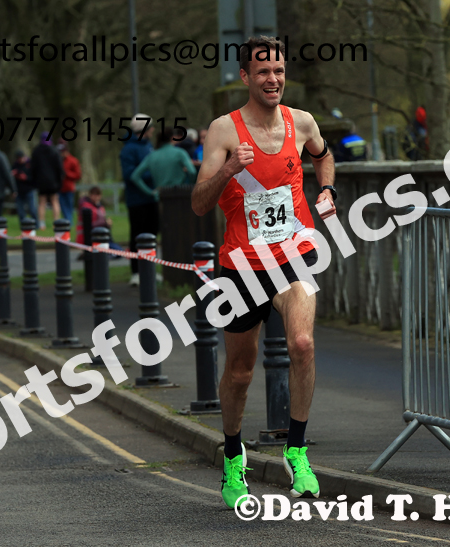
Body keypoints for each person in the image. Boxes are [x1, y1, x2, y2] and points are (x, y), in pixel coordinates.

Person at [191, 35, 336, 509]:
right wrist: (229, 168)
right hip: (241, 266)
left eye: (278, 71)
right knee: (239, 371)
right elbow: (198, 204)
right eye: (263, 72)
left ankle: (297, 450)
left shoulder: (303, 121)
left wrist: (327, 190)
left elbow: (323, 154)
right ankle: (233, 454)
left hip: (294, 253)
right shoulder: (223, 131)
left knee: (302, 343)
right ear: (245, 77)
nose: (272, 79)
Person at [120, 114, 156, 287]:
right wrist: (152, 174)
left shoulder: (148, 146)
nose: (153, 130)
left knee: (151, 233)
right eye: (150, 127)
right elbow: (129, 175)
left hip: (151, 197)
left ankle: (149, 268)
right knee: (137, 235)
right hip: (136, 199)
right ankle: (136, 271)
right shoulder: (129, 149)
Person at [131, 127, 197, 199]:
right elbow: (192, 172)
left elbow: (135, 176)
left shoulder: (151, 156)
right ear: (172, 138)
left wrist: (151, 192)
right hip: (179, 195)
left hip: (160, 196)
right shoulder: (180, 152)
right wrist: (187, 186)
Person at [76, 186, 124, 254]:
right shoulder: (86, 207)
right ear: (90, 195)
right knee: (117, 251)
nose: (96, 197)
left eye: (98, 195)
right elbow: (90, 224)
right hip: (92, 236)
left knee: (118, 250)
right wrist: (105, 222)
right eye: (94, 195)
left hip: (102, 235)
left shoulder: (99, 206)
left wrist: (107, 223)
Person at [30, 132, 63, 230]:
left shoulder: (36, 151)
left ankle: (41, 224)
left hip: (41, 181)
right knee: (54, 201)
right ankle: (56, 222)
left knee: (42, 202)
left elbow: (33, 168)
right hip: (53, 182)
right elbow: (59, 168)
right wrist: (59, 181)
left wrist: (34, 180)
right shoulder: (55, 151)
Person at [12, 150, 37, 226]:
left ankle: (36, 225)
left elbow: (34, 177)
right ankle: (24, 226)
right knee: (20, 211)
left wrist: (25, 178)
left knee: (32, 210)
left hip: (29, 190)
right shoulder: (15, 165)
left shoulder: (30, 164)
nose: (20, 160)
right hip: (19, 191)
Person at [58, 142, 82, 223]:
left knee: (69, 207)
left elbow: (78, 175)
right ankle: (66, 222)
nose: (61, 154)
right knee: (62, 207)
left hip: (69, 188)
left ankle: (69, 223)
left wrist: (67, 173)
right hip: (60, 188)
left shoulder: (73, 161)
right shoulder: (58, 161)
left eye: (63, 151)